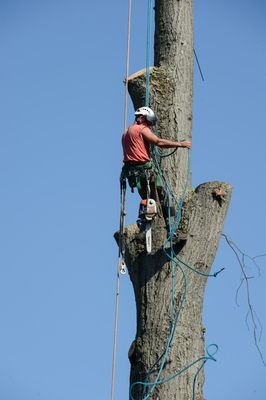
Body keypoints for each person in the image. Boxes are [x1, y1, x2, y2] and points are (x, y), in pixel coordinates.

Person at [121, 106, 191, 200]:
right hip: (143, 171)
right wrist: (180, 144)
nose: (148, 126)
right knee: (164, 199)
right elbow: (159, 142)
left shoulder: (125, 133)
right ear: (141, 118)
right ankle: (170, 213)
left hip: (132, 174)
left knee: (147, 200)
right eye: (148, 122)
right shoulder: (141, 129)